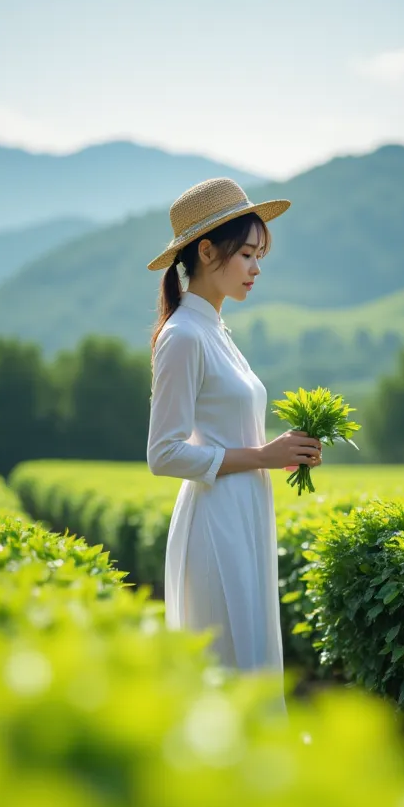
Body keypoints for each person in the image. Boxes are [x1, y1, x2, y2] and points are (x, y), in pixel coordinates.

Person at [146, 177, 322, 694]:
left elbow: (237, 434)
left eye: (258, 254)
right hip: (215, 520)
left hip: (244, 509)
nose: (256, 268)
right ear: (206, 250)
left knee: (252, 656)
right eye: (247, 254)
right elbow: (164, 454)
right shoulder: (182, 336)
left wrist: (283, 452)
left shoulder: (215, 331)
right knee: (227, 670)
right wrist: (262, 456)